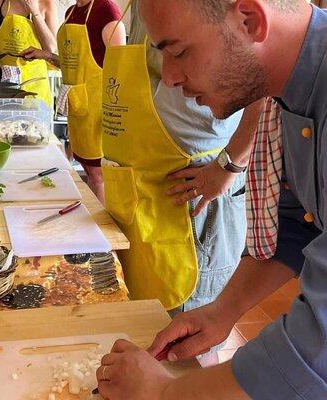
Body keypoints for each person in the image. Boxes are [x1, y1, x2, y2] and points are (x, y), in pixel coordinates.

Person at [95, 1, 327, 399]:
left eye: (179, 51)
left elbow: (315, 348)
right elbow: (299, 225)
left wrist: (162, 394)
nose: (168, 77)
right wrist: (222, 311)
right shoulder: (284, 92)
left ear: (250, 21)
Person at [101, 0, 260, 366]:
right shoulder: (141, 8)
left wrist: (229, 164)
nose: (172, 73)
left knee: (188, 340)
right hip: (143, 191)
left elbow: (264, 86)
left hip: (194, 190)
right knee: (149, 323)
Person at [22, 0, 126, 203]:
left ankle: (102, 229)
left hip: (100, 111)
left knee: (98, 174)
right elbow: (75, 64)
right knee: (89, 170)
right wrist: (47, 55)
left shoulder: (106, 10)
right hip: (78, 108)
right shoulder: (72, 12)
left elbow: (121, 69)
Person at [0, 0, 57, 107]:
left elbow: (50, 48)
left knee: (33, 123)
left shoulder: (46, 4)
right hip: (2, 88)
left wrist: (34, 11)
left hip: (34, 86)